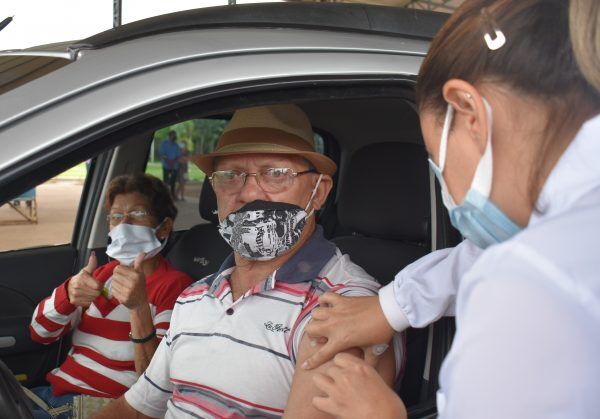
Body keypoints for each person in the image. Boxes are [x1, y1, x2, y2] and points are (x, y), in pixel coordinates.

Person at [302, 0, 600, 418]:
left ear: (469, 112)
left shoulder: (531, 284)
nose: (445, 183)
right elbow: (475, 259)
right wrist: (394, 305)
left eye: (435, 159)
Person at [94, 104, 404, 418]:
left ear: (319, 192)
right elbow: (135, 409)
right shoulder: (194, 297)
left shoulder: (346, 311)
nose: (250, 192)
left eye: (276, 174)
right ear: (214, 189)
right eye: (231, 176)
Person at [29, 174, 193, 417]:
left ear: (164, 228)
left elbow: (156, 380)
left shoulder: (174, 286)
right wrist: (68, 295)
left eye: (137, 214)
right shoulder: (100, 274)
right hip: (51, 395)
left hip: (98, 406)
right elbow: (39, 334)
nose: (124, 223)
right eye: (116, 216)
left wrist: (138, 307)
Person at [159, 131, 181, 197]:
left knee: (173, 182)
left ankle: (172, 195)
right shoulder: (164, 143)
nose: (175, 136)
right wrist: (168, 161)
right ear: (170, 135)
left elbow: (178, 155)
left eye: (175, 135)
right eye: (173, 135)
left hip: (174, 166)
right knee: (165, 181)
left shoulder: (176, 145)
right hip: (166, 165)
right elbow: (162, 154)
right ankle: (165, 195)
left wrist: (173, 162)